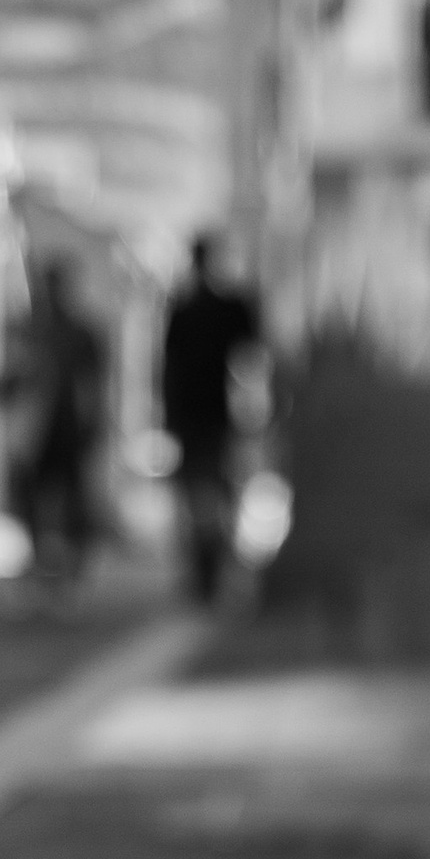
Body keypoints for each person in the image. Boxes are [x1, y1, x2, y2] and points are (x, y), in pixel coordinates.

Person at [0, 257, 107, 599]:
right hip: (35, 434)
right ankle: (41, 571)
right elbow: (14, 375)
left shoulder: (80, 334)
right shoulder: (31, 330)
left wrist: (93, 424)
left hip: (67, 432)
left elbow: (93, 386)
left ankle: (68, 576)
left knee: (71, 504)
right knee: (30, 503)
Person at [160, 231, 264, 608]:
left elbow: (168, 370)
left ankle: (207, 573)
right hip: (212, 416)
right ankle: (209, 572)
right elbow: (253, 342)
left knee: (202, 497)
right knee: (213, 495)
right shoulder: (217, 308)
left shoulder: (188, 310)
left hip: (198, 417)